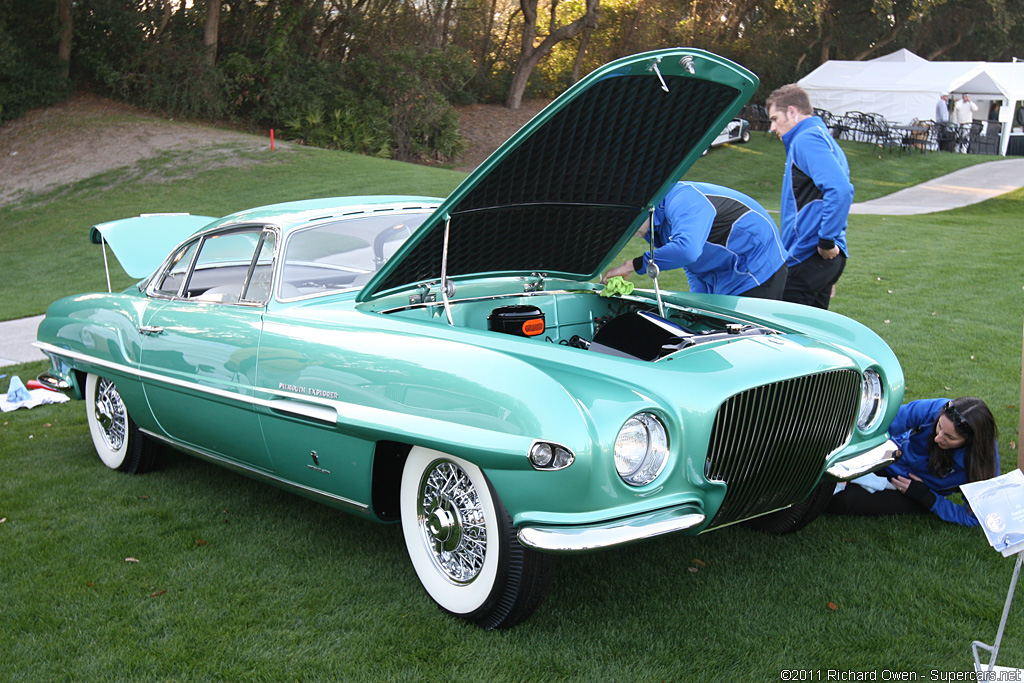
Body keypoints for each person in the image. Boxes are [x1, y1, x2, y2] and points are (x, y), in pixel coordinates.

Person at [828, 397, 1000, 527]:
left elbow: (977, 516)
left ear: (970, 441)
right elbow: (885, 424)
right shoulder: (935, 409)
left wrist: (929, 498)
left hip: (915, 492)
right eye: (939, 427)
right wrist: (851, 456)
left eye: (950, 437)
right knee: (831, 474)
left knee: (843, 500)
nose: (938, 437)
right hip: (889, 457)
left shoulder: (981, 461)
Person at [601, 181, 789, 299]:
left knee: (746, 348)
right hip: (723, 274)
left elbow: (687, 251)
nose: (626, 232)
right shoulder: (652, 226)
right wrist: (698, 302)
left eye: (625, 223)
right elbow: (693, 265)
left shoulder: (682, 198)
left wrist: (631, 265)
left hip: (758, 270)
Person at [766, 84, 854, 309]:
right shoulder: (821, 137)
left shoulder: (806, 139)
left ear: (793, 112)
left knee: (782, 335)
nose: (772, 127)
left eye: (775, 119)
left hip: (809, 255)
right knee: (810, 339)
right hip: (820, 260)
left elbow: (840, 190)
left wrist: (826, 240)